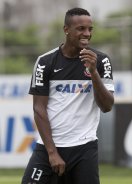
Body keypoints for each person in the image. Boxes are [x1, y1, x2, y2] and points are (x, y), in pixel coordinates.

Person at [22, 7, 114, 184]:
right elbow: (39, 109)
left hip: (84, 149)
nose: (86, 33)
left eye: (90, 29)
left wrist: (93, 72)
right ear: (66, 30)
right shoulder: (45, 62)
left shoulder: (101, 61)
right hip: (49, 147)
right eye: (81, 29)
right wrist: (52, 153)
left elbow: (107, 106)